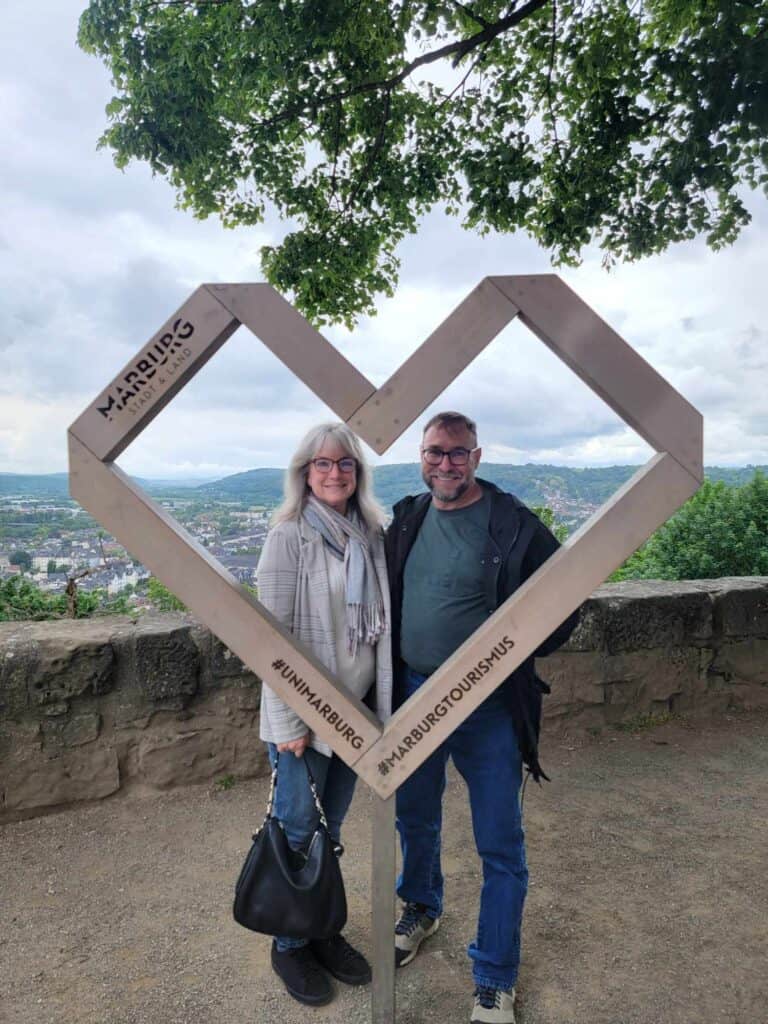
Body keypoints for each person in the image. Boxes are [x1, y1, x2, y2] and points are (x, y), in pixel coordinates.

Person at [385, 411, 579, 1024]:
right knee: (415, 817)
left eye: (458, 453)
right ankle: (422, 906)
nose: (447, 464)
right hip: (415, 694)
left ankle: (494, 976)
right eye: (436, 453)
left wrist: (518, 654)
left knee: (499, 840)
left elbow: (565, 596)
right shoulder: (409, 516)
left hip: (486, 704)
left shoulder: (512, 522)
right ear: (421, 456)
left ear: (478, 456)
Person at [257, 422, 392, 1007]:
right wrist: (290, 722)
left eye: (345, 464)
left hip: (355, 715)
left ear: (357, 474)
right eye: (322, 464)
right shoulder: (289, 537)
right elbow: (270, 637)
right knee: (297, 831)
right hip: (305, 722)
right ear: (304, 473)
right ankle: (289, 945)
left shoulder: (369, 534)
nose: (334, 473)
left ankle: (321, 931)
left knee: (328, 832)